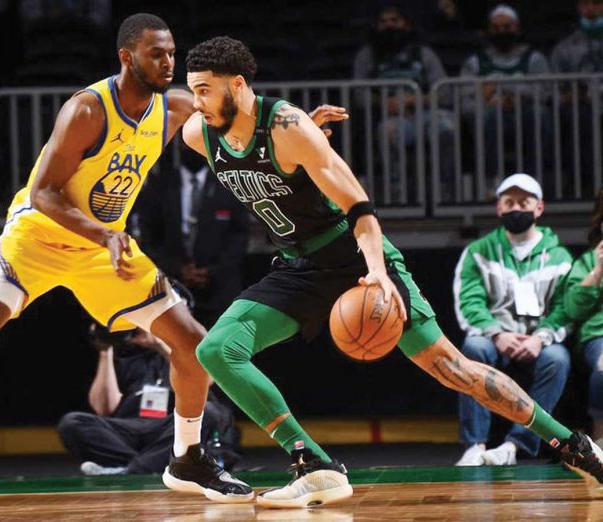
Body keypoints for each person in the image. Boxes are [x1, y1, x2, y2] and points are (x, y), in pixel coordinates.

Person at [0, 13, 342, 503]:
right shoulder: (87, 109)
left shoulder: (175, 108)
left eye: (172, 53)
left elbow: (237, 120)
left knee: (193, 344)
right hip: (38, 237)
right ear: (126, 56)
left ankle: (188, 459)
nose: (169, 63)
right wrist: (102, 234)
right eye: (157, 54)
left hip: (102, 248)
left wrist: (299, 130)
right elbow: (45, 192)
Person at [181, 36, 603, 509]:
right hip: (300, 266)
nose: (197, 102)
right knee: (217, 350)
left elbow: (360, 206)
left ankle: (571, 444)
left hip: (355, 253)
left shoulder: (287, 124)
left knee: (451, 369)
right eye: (192, 91)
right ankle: (313, 463)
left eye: (204, 90)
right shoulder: (200, 133)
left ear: (237, 86)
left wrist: (379, 272)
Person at [453, 173, 573, 466]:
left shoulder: (560, 256)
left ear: (539, 208)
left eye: (524, 202)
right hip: (496, 337)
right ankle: (475, 446)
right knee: (474, 348)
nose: (516, 208)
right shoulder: (478, 252)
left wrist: (540, 338)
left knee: (557, 358)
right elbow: (469, 300)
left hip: (538, 340)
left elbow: (565, 308)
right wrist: (496, 333)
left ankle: (515, 445)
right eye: (509, 202)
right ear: (499, 208)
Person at [58, 324, 240, 475]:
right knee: (72, 422)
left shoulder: (187, 354)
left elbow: (204, 379)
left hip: (169, 429)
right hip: (129, 428)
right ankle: (151, 463)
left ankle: (131, 470)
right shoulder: (127, 360)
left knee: (208, 411)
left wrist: (159, 344)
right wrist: (106, 350)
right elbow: (104, 408)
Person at [137, 142, 250, 328]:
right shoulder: (160, 185)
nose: (192, 149)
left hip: (220, 290)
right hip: (170, 289)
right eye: (187, 144)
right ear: (179, 147)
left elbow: (240, 236)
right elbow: (149, 239)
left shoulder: (227, 184)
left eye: (198, 145)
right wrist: (178, 269)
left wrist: (212, 271)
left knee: (218, 349)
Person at [352, 4, 456, 203]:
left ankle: (445, 190)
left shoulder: (423, 53)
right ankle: (398, 194)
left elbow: (445, 91)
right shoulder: (367, 56)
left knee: (447, 127)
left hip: (426, 114)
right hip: (391, 118)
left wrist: (415, 99)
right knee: (388, 132)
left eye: (394, 21)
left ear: (406, 25)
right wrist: (383, 103)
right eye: (384, 22)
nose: (389, 25)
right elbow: (358, 94)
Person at [460, 5, 551, 186]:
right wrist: (491, 100)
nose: (501, 32)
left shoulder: (534, 59)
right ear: (488, 30)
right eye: (496, 28)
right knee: (491, 117)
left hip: (526, 114)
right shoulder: (475, 62)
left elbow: (546, 92)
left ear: (517, 28)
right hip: (490, 116)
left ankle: (533, 181)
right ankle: (491, 182)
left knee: (538, 115)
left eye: (507, 27)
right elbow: (464, 98)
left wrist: (502, 89)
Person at [550, 0, 603, 196]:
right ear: (579, 7)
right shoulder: (565, 47)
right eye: (586, 3)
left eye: (597, 3)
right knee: (575, 117)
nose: (591, 9)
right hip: (581, 109)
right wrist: (568, 95)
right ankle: (582, 184)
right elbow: (554, 87)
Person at [565, 190, 603, 446]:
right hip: (598, 337)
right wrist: (598, 271)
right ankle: (600, 437)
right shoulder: (588, 261)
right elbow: (572, 309)